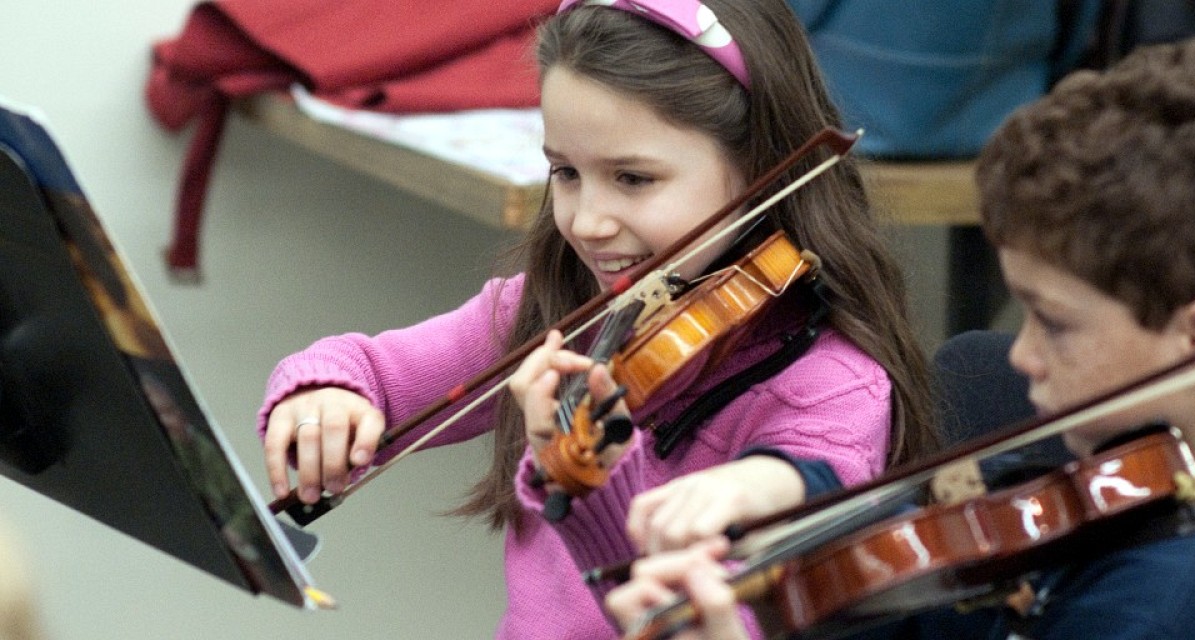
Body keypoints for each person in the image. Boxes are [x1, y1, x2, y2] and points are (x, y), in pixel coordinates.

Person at [256, 0, 940, 637]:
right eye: (565, 172)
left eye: (633, 178)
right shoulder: (558, 310)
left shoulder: (830, 387)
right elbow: (368, 368)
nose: (587, 222)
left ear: (761, 164)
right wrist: (325, 394)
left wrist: (610, 484)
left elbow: (742, 553)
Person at [606, 36, 1195, 640]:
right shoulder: (1120, 480)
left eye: (1055, 321)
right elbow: (928, 564)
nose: (1022, 355)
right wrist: (785, 491)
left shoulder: (1164, 611)